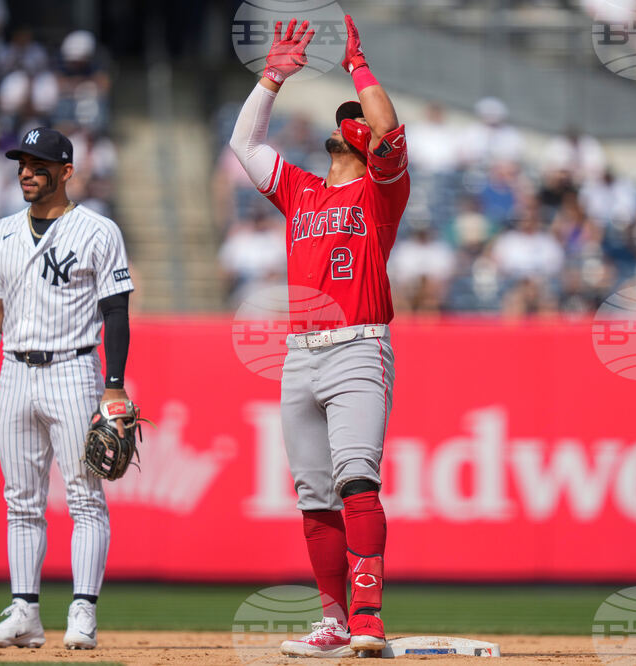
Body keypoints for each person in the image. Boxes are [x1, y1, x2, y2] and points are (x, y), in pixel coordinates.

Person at [228, 16, 409, 657]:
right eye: (343, 119)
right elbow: (244, 144)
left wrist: (358, 64)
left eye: (350, 120)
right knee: (314, 496)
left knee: (356, 480)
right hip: (299, 355)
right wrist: (272, 77)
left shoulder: (378, 190)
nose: (343, 124)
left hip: (359, 346)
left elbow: (388, 129)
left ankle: (368, 617)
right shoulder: (301, 192)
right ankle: (333, 622)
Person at [0, 127, 136, 650]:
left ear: (65, 171)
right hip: (13, 370)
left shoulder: (97, 230)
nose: (26, 172)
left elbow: (116, 310)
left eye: (38, 164)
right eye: (21, 163)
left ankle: (82, 612)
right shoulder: (3, 232)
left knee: (84, 497)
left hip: (73, 370)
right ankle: (25, 613)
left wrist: (115, 385)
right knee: (21, 502)